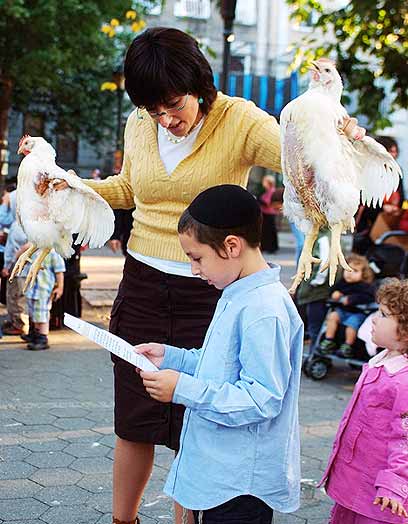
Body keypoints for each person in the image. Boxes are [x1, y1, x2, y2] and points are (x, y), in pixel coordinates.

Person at [53, 27, 282, 524]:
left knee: (196, 422)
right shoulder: (141, 122)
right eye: (153, 110)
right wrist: (70, 187)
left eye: (174, 106)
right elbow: (128, 188)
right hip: (142, 287)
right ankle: (124, 521)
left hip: (210, 292)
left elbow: (302, 158)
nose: (165, 120)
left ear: (199, 84)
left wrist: (340, 137)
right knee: (134, 418)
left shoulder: (239, 119)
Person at [135, 185, 303, 524]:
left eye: (197, 258)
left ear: (231, 246)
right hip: (221, 474)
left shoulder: (263, 308)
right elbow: (220, 364)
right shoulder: (237, 292)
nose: (194, 270)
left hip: (240, 486)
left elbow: (261, 399)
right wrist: (172, 358)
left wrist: (182, 388)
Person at [319, 278, 408, 524]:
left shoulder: (403, 380)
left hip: (382, 496)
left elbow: (405, 439)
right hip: (356, 478)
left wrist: (395, 484)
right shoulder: (381, 361)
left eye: (384, 314)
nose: (374, 319)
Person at [318, 254, 375, 358]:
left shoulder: (364, 286)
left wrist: (351, 299)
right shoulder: (342, 283)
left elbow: (368, 297)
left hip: (357, 313)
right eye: (347, 269)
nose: (350, 273)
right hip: (342, 311)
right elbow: (333, 291)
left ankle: (348, 345)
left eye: (355, 271)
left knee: (352, 323)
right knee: (332, 316)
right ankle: (329, 340)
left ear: (363, 274)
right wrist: (335, 293)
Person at [23, 248, 65, 350]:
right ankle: (35, 333)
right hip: (31, 289)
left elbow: (59, 271)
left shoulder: (53, 253)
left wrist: (60, 287)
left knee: (42, 314)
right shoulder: (33, 251)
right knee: (33, 313)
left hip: (44, 290)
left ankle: (42, 337)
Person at [296, 228, 332, 346]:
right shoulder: (318, 235)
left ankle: (314, 353)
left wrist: (314, 283)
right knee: (313, 327)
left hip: (317, 293)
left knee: (315, 328)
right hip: (316, 291)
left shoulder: (323, 238)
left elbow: (324, 264)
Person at [1, 190, 28, 336]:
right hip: (24, 269)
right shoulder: (25, 225)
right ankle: (17, 321)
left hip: (17, 268)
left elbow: (11, 250)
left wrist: (7, 266)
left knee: (14, 297)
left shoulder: (17, 226)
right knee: (16, 296)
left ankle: (18, 324)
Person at [258, 174, 280, 253]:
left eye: (264, 181)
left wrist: (259, 201)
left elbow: (268, 202)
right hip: (265, 213)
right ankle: (266, 247)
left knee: (270, 231)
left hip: (269, 214)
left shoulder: (272, 191)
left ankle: (271, 248)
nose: (263, 183)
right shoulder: (267, 191)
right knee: (265, 231)